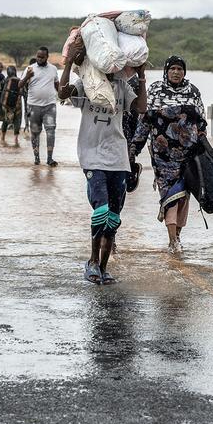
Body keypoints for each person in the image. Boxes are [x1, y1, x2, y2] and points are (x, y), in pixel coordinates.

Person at [58, 43, 147, 285]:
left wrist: (140, 76)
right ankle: (92, 261)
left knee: (113, 217)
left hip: (117, 157)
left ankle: (105, 267)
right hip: (92, 156)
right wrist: (68, 64)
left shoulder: (121, 86)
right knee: (100, 211)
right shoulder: (86, 82)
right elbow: (63, 94)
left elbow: (141, 108)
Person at [129, 55, 206, 254]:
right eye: (172, 68)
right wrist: (134, 149)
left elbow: (202, 123)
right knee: (170, 196)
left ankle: (177, 235)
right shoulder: (155, 90)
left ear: (184, 72)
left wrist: (203, 148)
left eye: (180, 69)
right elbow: (144, 121)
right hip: (162, 157)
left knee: (184, 197)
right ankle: (173, 240)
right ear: (166, 70)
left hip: (187, 156)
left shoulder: (193, 92)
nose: (176, 72)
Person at [20, 46, 60, 166]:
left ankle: (49, 158)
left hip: (50, 105)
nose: (40, 59)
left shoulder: (53, 69)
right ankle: (37, 158)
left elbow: (57, 84)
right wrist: (27, 76)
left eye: (42, 57)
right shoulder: (30, 69)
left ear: (47, 57)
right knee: (35, 132)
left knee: (51, 131)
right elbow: (20, 85)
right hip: (33, 106)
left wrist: (63, 96)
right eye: (38, 56)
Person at [0, 66, 23, 145]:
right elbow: (23, 93)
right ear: (15, 72)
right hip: (17, 106)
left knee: (5, 121)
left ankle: (2, 138)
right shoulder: (20, 81)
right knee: (17, 121)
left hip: (5, 106)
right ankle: (16, 140)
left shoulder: (4, 81)